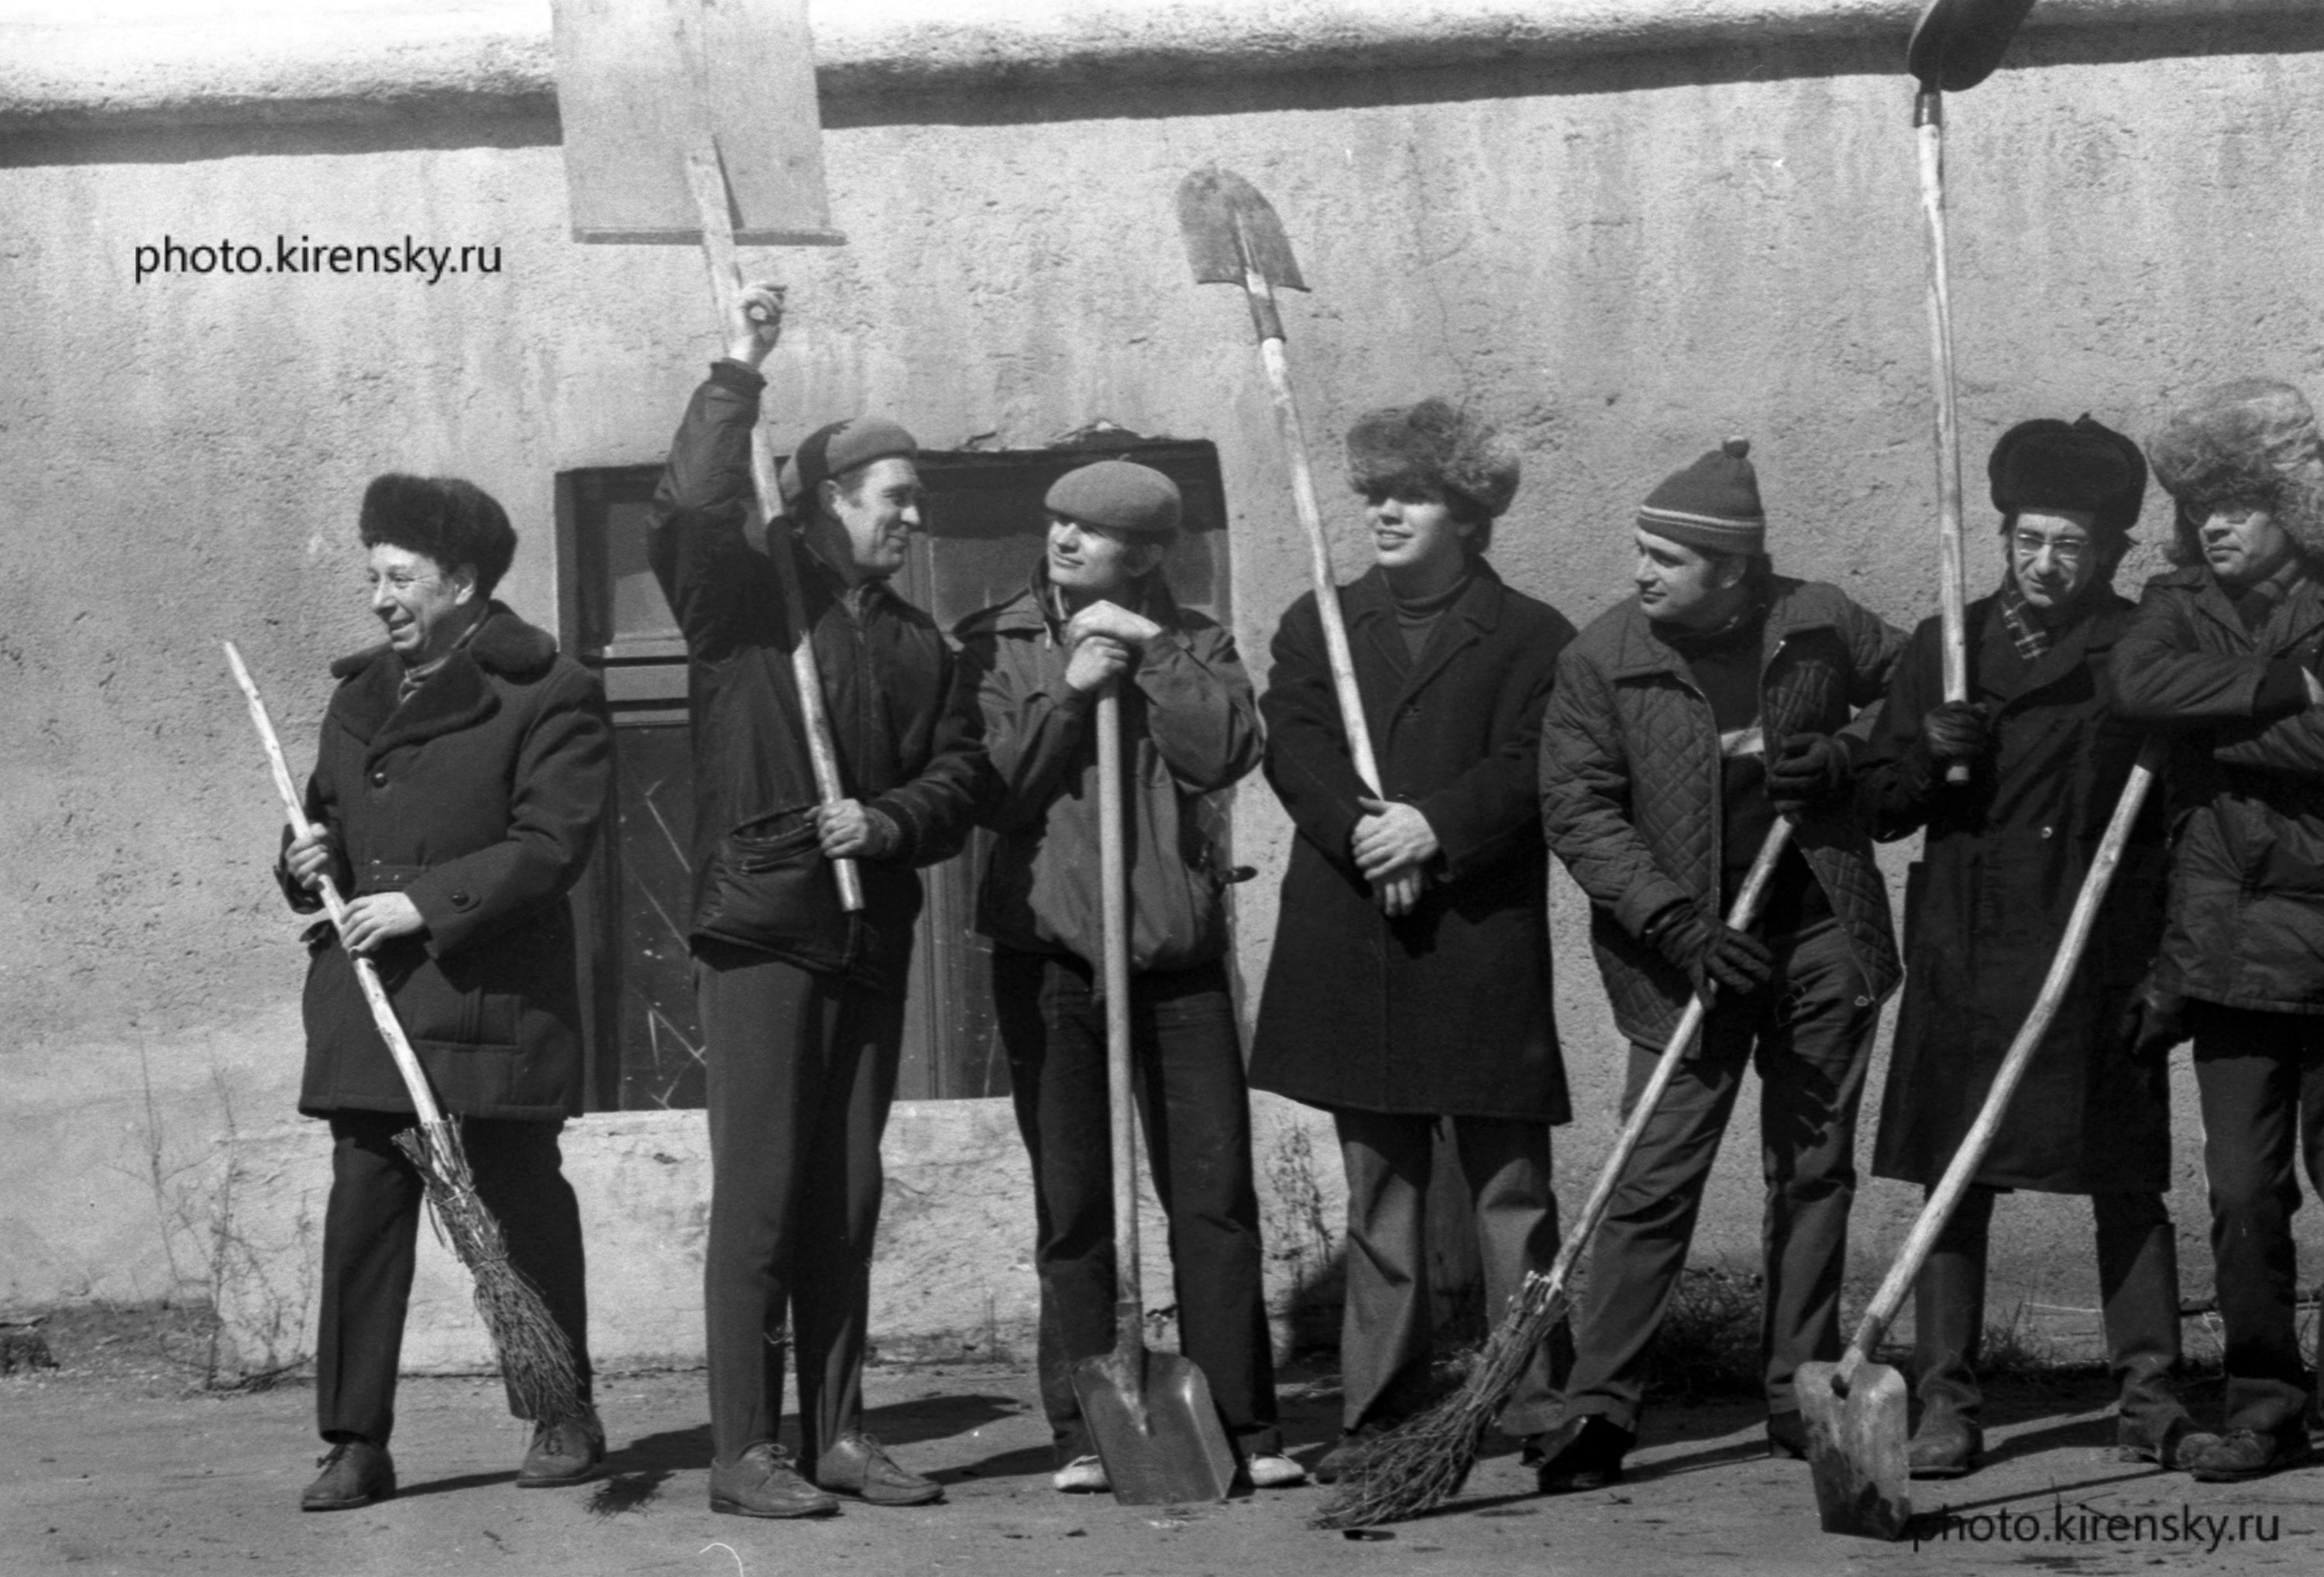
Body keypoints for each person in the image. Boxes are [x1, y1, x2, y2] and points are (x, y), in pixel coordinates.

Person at [649, 285, 993, 1517]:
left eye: (916, 498)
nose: (914, 517)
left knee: (846, 1199)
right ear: (828, 502)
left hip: (868, 932)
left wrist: (887, 821)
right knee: (761, 1200)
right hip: (762, 926)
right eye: (893, 497)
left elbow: (960, 777)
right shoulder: (743, 603)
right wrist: (738, 368)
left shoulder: (918, 643)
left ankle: (838, 1432)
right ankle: (744, 1453)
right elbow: (692, 504)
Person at [1535, 438, 1905, 1491]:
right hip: (1683, 961)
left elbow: (1922, 687)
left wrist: (1850, 752)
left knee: (1814, 1173)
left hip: (1821, 933)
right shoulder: (1604, 658)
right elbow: (1579, 810)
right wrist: (1676, 927)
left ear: (1733, 568)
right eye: (1641, 549)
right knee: (1653, 1179)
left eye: (1667, 557)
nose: (1641, 571)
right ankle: (1600, 1408)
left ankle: (1801, 1391)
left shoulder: (1819, 621)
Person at [954, 458, 1298, 1492]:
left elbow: (1223, 751)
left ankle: (1242, 1426)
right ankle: (1085, 1429)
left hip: (1176, 961)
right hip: (1051, 957)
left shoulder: (1196, 642)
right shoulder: (997, 644)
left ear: (1146, 555)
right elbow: (995, 790)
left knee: (1214, 1199)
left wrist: (1149, 653)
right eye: (1058, 520)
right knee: (1074, 1205)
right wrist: (1071, 687)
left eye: (1091, 530)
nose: (1063, 538)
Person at [1247, 399, 1576, 1479]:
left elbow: (1537, 761)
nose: (1386, 512)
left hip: (1476, 937)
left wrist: (1434, 827)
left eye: (1414, 496)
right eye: (1377, 494)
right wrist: (1368, 832)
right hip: (1360, 939)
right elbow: (1294, 743)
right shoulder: (1320, 623)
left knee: (1510, 1192)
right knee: (1380, 1193)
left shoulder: (1534, 637)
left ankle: (1539, 1402)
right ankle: (1383, 1411)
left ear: (1470, 515)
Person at [1855, 416, 2189, 1478]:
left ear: (2111, 552)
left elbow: (2180, 824)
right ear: (2000, 537)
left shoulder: (2139, 651)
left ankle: (2151, 1398)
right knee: (1955, 1181)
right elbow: (1884, 808)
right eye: (2028, 540)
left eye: (2071, 545)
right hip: (1970, 947)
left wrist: (2169, 966)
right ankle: (1946, 1406)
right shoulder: (1943, 646)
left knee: (2125, 1179)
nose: (2045, 564)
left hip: (2094, 953)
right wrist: (1928, 755)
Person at [279, 473, 611, 1510]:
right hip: (375, 1002)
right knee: (365, 1215)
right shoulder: (359, 697)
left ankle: (560, 1410)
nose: (379, 598)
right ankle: (355, 1442)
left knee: (519, 1207)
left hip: (489, 1001)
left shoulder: (549, 691)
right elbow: (327, 821)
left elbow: (551, 845)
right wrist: (305, 859)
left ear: (462, 582)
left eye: (400, 578)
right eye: (373, 577)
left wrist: (423, 904)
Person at [2109, 377, 2324, 1483]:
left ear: (2292, 504)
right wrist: (2291, 688)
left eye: (2239, 503)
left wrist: (2209, 729)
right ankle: (2266, 1406)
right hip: (2229, 954)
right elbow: (2137, 686)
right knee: (2243, 1195)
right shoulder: (2175, 600)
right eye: (2200, 506)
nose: (2215, 525)